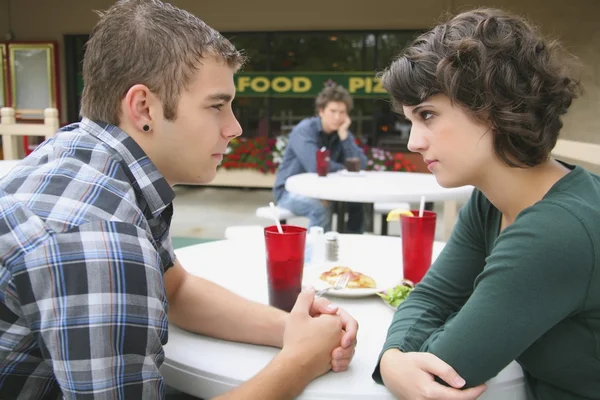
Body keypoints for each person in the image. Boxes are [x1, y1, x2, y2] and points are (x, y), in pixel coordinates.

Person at [0, 1, 358, 398]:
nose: (235, 127)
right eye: (217, 106)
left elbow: (178, 289)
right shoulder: (102, 237)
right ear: (143, 108)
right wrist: (300, 361)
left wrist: (289, 328)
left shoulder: (83, 154)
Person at [372, 8, 599, 400]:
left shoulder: (556, 231)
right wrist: (393, 359)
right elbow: (432, 296)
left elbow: (449, 369)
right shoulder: (491, 202)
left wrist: (401, 362)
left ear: (493, 108)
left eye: (427, 115)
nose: (413, 142)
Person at [273, 85, 368, 233]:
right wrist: (344, 167)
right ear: (321, 111)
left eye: (342, 112)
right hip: (289, 192)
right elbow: (317, 167)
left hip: (328, 192)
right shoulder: (304, 131)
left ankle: (351, 246)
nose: (337, 117)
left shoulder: (342, 133)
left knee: (359, 204)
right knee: (320, 207)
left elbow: (360, 164)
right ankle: (317, 251)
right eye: (333, 111)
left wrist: (344, 138)